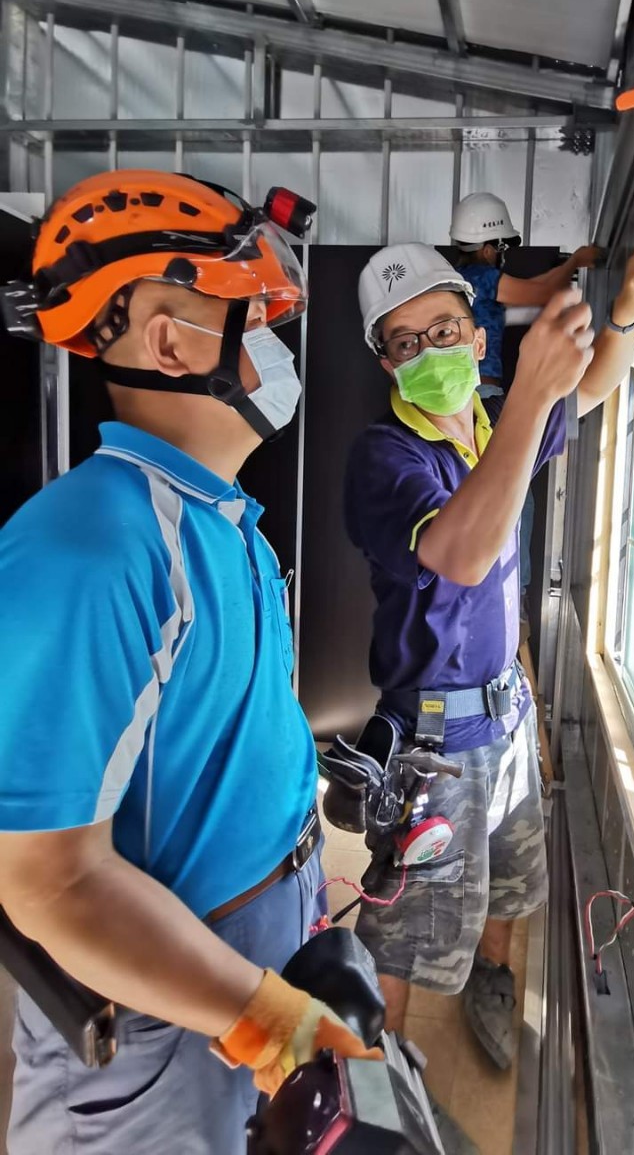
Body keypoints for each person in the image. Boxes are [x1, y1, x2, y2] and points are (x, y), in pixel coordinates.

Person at [0, 171, 378, 1155]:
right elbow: (49, 884)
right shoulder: (91, 551)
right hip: (160, 1019)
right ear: (171, 342)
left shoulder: (220, 519)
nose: (277, 350)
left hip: (240, 968)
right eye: (256, 321)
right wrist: (267, 1020)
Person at [344, 232, 634, 1145]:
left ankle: (491, 981)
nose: (429, 351)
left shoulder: (495, 427)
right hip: (434, 748)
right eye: (405, 342)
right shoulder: (386, 458)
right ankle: (375, 1078)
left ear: (479, 337)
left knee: (512, 884)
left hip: (507, 717)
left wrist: (624, 313)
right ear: (386, 362)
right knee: (404, 930)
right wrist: (530, 398)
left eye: (444, 330)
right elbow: (461, 550)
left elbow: (590, 388)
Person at [450, 191, 601, 622]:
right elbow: (540, 290)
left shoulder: (459, 282)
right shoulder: (480, 276)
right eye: (502, 248)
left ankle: (493, 592)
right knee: (516, 494)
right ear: (489, 245)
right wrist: (576, 262)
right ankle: (514, 593)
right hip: (486, 398)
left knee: (485, 490)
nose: (503, 256)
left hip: (470, 401)